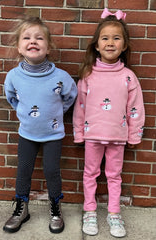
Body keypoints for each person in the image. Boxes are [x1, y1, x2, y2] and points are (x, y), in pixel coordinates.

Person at [73, 8, 145, 238]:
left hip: (118, 136)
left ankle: (114, 213)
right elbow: (79, 107)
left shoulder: (128, 77)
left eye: (116, 38)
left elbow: (135, 108)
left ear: (124, 46)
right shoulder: (88, 75)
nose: (110, 43)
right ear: (96, 45)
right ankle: (90, 211)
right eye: (105, 38)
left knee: (115, 176)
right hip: (93, 135)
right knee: (90, 174)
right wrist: (78, 134)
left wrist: (134, 135)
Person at [3, 16, 77, 234]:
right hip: (27, 133)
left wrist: (55, 113)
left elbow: (70, 97)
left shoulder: (61, 77)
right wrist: (24, 114)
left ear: (48, 47)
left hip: (53, 134)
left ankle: (56, 208)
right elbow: (11, 98)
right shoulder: (13, 76)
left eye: (39, 38)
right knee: (23, 171)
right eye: (26, 37)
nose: (32, 41)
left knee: (52, 171)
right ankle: (21, 209)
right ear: (19, 47)